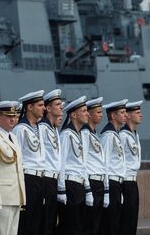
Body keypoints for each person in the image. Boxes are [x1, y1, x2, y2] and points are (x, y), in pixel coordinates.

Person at [0, 101, 26, 235]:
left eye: (14, 116)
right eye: (8, 116)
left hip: (15, 196)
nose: (13, 119)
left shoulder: (13, 137)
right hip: (2, 197)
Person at [12, 90, 46, 235]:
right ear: (29, 107)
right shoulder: (20, 129)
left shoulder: (38, 129)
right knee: (27, 222)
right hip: (28, 178)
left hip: (40, 179)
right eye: (40, 105)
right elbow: (15, 160)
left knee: (37, 222)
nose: (43, 108)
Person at [58, 96, 92, 235]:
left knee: (80, 227)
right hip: (70, 184)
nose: (87, 114)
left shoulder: (81, 135)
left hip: (80, 185)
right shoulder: (66, 134)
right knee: (70, 227)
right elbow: (61, 163)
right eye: (83, 111)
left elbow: (83, 164)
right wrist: (61, 189)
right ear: (73, 115)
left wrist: (88, 189)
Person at [38, 89, 65, 235]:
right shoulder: (42, 128)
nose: (61, 107)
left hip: (54, 181)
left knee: (51, 222)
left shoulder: (53, 129)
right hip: (45, 180)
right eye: (58, 104)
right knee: (45, 222)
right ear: (48, 108)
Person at [81, 97, 109, 235]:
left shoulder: (94, 134)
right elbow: (83, 161)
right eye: (98, 112)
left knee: (97, 224)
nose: (101, 115)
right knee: (90, 224)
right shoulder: (85, 133)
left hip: (99, 183)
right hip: (91, 181)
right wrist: (87, 189)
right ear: (90, 115)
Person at [100, 99, 128, 235]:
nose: (126, 115)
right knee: (109, 225)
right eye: (122, 112)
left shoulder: (115, 135)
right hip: (110, 184)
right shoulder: (108, 136)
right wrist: (106, 190)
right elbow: (103, 163)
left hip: (117, 184)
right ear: (113, 116)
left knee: (115, 223)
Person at [119, 100, 143, 235]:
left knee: (132, 221)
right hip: (125, 182)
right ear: (128, 115)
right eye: (137, 113)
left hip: (133, 182)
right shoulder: (122, 136)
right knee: (126, 222)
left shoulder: (135, 135)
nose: (141, 115)